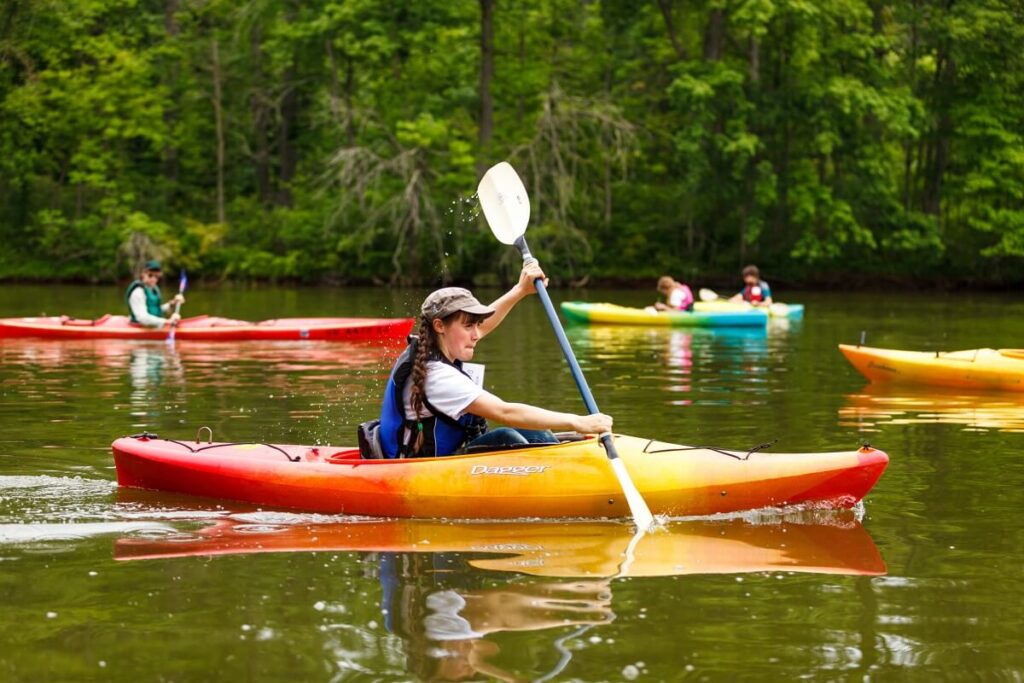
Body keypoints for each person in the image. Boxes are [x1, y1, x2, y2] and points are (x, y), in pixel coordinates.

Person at [370, 262, 613, 459]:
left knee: (535, 432)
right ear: (439, 326)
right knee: (507, 437)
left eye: (476, 325)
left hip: (448, 458)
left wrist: (520, 291)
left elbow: (482, 326)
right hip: (420, 471)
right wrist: (578, 421)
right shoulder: (437, 376)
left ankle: (567, 470)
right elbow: (503, 411)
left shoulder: (438, 346)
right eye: (468, 326)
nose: (476, 334)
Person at [125, 260, 185, 328]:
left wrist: (172, 304)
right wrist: (167, 322)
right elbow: (142, 318)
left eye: (156, 276)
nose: (153, 279)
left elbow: (156, 309)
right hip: (140, 327)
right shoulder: (137, 292)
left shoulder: (153, 290)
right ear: (143, 274)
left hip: (154, 326)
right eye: (150, 275)